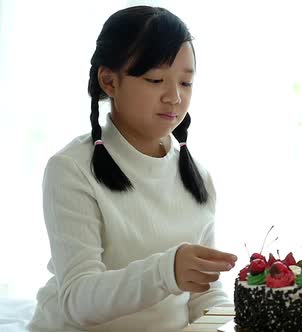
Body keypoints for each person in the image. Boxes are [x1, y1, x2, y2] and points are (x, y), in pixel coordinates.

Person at [28, 6, 237, 332]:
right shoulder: (70, 170)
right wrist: (166, 272)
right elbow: (77, 299)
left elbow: (207, 296)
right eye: (156, 79)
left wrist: (208, 324)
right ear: (109, 81)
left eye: (186, 82)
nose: (174, 97)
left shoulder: (200, 178)